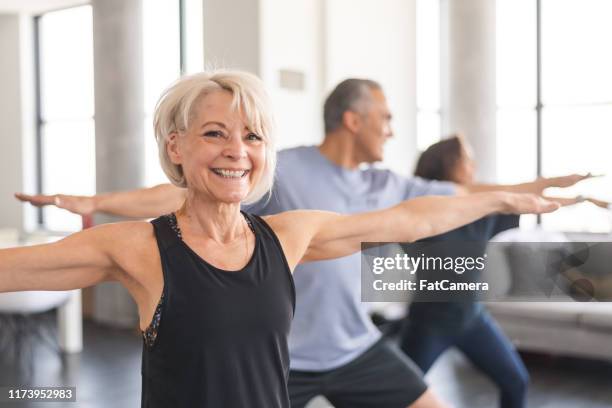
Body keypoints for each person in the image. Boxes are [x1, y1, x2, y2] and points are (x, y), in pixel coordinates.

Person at [15, 79, 583, 408]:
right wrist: (93, 203)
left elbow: (408, 218)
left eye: (253, 135)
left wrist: (502, 200)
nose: (238, 149)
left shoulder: (288, 234)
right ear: (177, 146)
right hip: (302, 358)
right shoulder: (139, 247)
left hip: (351, 348)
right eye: (215, 133)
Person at [399, 135, 607, 408]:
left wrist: (582, 199)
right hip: (430, 324)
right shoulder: (421, 212)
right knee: (398, 393)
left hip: (472, 320)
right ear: (448, 164)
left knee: (516, 380)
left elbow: (530, 200)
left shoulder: (483, 212)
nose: (473, 165)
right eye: (466, 159)